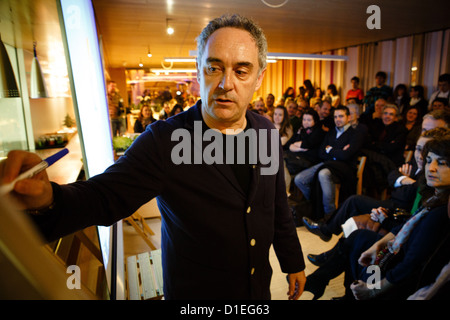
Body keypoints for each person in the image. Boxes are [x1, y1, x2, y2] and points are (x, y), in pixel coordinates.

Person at [0, 14, 306, 300]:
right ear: (199, 71)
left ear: (259, 78)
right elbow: (102, 197)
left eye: (241, 70)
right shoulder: (165, 141)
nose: (226, 83)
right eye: (214, 68)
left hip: (256, 292)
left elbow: (276, 203)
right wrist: (46, 200)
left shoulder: (265, 131)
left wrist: (293, 261)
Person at [303, 134, 450, 300]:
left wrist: (372, 289)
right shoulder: (435, 195)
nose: (431, 168)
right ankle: (329, 285)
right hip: (393, 253)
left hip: (396, 274)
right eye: (429, 160)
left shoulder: (441, 212)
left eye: (442, 163)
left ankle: (342, 289)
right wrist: (379, 245)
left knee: (362, 249)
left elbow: (409, 267)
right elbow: (408, 223)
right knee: (359, 238)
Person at [303, 128, 450, 245]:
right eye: (418, 149)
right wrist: (406, 180)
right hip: (392, 200)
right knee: (353, 201)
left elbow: (412, 193)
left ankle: (326, 231)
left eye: (425, 151)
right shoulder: (415, 163)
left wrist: (408, 181)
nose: (420, 155)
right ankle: (327, 232)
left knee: (354, 201)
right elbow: (392, 175)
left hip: (399, 208)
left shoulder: (431, 171)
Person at [294, 106, 366, 219]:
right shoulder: (331, 132)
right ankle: (316, 204)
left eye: (341, 116)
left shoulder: (355, 134)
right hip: (327, 164)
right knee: (300, 179)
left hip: (344, 168)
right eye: (335, 117)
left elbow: (346, 155)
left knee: (323, 174)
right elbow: (321, 153)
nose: (338, 119)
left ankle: (330, 214)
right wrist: (339, 151)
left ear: (349, 117)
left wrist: (331, 150)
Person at [284, 108, 325, 176]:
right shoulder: (301, 130)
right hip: (296, 158)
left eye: (309, 120)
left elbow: (306, 144)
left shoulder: (319, 132)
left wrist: (294, 146)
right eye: (304, 119)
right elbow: (288, 144)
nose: (305, 122)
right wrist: (299, 148)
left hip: (308, 161)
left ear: (315, 121)